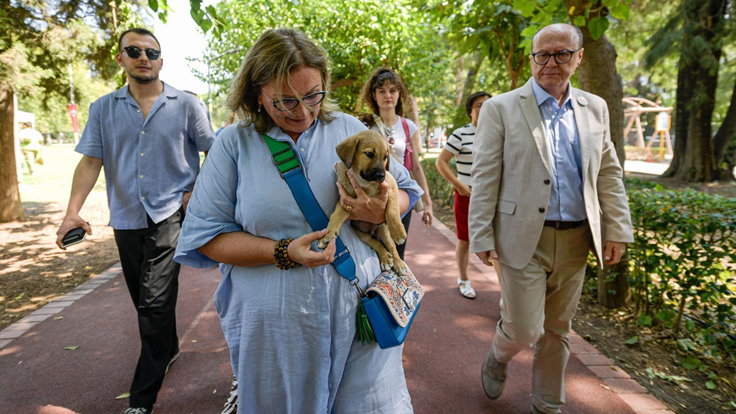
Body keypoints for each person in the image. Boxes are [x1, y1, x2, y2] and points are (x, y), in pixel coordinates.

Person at [173, 28, 422, 414]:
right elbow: (205, 237)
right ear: (257, 93)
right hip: (276, 329)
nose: (303, 111)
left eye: (313, 95)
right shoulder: (233, 143)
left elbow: (405, 190)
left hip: (360, 315)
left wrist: (385, 206)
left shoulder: (349, 129)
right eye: (285, 101)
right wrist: (283, 251)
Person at [469, 23, 634, 414]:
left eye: (562, 54)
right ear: (532, 59)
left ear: (578, 58)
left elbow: (608, 172)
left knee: (559, 329)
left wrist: (617, 228)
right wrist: (481, 234)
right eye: (542, 54)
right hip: (521, 236)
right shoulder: (500, 108)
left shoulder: (595, 108)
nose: (550, 63)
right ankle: (500, 351)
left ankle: (547, 404)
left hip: (577, 238)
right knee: (526, 327)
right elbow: (485, 175)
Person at [55, 27, 215, 414]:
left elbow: (215, 152)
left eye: (152, 52)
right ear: (121, 58)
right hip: (125, 218)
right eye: (134, 50)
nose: (144, 57)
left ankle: (142, 398)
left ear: (161, 59)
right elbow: (91, 160)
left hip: (170, 215)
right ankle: (169, 346)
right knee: (144, 302)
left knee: (155, 303)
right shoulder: (103, 109)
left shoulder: (187, 105)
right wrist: (72, 210)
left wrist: (198, 190)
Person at [360, 67, 433, 260]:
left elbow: (415, 167)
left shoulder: (408, 126)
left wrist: (427, 204)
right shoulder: (365, 125)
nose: (387, 95)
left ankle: (395, 290)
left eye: (392, 90)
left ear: (399, 94)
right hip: (373, 195)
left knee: (397, 252)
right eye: (382, 91)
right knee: (372, 252)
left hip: (400, 196)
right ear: (373, 95)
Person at [435, 91, 491, 299]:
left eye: (488, 104)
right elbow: (441, 162)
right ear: (470, 111)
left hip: (492, 198)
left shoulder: (499, 132)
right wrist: (458, 184)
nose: (484, 108)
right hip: (467, 195)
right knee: (465, 240)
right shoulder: (461, 134)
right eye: (479, 105)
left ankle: (507, 293)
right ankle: (464, 280)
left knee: (495, 241)